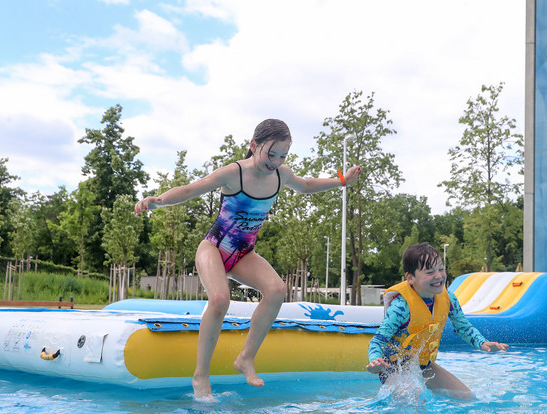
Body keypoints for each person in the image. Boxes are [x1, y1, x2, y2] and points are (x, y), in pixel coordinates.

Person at [134, 119, 362, 400]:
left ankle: (246, 358)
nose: (276, 161)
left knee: (277, 290)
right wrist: (159, 200)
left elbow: (305, 185)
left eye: (283, 155)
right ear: (254, 146)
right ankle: (200, 376)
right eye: (271, 153)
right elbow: (193, 188)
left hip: (244, 253)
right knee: (219, 300)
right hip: (214, 247)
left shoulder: (281, 174)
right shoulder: (234, 173)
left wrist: (341, 181)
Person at [365, 243, 509, 400]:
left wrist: (482, 343)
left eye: (441, 269)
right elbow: (377, 342)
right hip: (393, 367)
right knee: (413, 399)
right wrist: (375, 362)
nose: (439, 276)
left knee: (466, 397)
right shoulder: (401, 308)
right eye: (429, 272)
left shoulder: (449, 298)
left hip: (423, 365)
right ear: (410, 278)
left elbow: (464, 327)